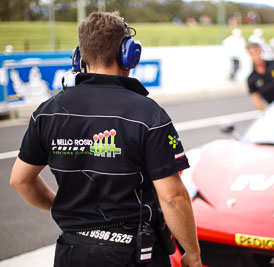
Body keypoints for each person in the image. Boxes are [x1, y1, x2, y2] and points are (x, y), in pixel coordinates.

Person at [9, 11, 202, 267]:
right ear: (129, 54)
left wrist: (67, 210)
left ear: (79, 57)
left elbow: (20, 181)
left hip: (71, 251)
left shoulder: (48, 111)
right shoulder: (148, 114)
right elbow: (173, 197)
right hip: (134, 255)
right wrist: (192, 253)